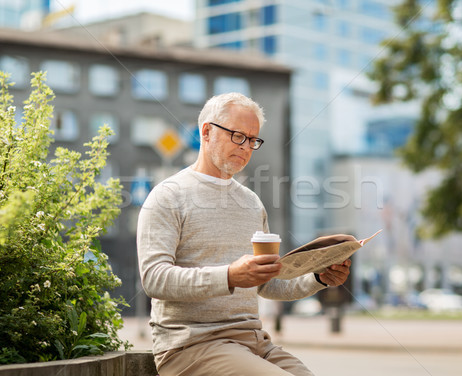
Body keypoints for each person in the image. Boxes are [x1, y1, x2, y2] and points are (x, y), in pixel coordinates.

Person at [137, 92, 352, 376]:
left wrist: (317, 278)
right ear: (207, 132)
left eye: (253, 140)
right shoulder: (168, 196)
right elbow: (154, 278)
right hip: (192, 347)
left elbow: (266, 284)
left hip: (253, 343)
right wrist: (229, 276)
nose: (247, 147)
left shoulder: (251, 202)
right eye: (238, 136)